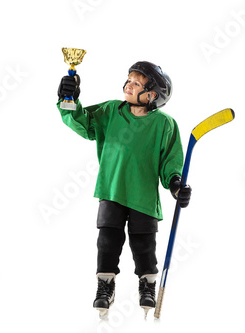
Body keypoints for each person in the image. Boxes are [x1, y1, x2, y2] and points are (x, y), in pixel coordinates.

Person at [57, 61, 192, 317]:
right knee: (107, 240)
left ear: (152, 95)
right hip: (112, 189)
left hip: (143, 195)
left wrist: (175, 184)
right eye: (128, 80)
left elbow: (171, 162)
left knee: (144, 244)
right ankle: (105, 285)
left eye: (136, 83)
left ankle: (147, 285)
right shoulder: (111, 111)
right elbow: (80, 122)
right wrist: (68, 98)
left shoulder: (165, 125)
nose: (128, 85)